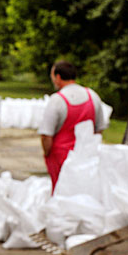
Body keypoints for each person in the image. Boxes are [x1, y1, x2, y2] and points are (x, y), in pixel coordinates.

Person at [38, 61, 107, 191]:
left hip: (61, 158)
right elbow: (99, 129)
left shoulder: (57, 100)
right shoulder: (92, 96)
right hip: (85, 155)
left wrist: (47, 153)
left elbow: (46, 135)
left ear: (58, 77)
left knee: (61, 193)